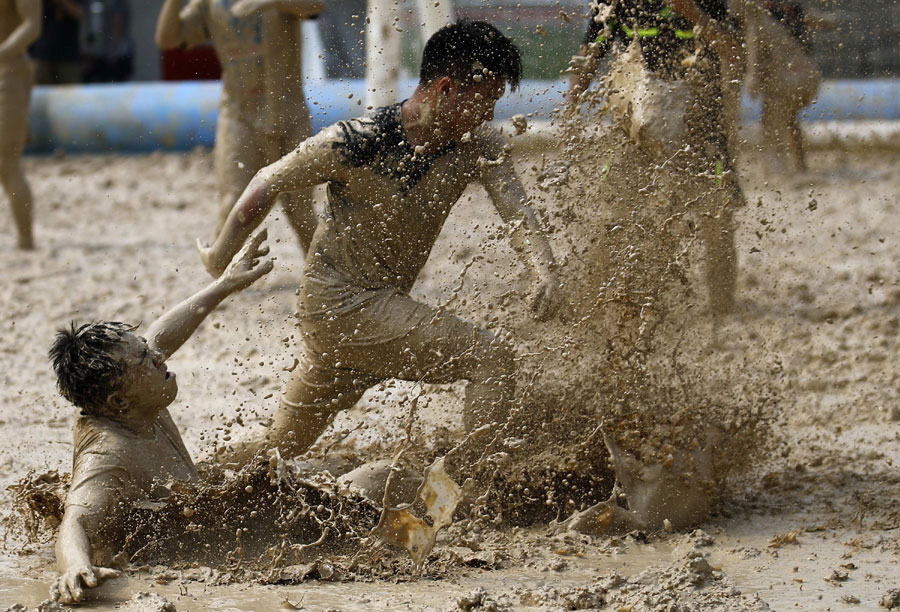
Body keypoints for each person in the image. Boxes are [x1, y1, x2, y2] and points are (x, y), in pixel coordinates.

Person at [198, 20, 560, 459]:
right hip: (341, 305)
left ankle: (194, 480)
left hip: (356, 314)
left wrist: (544, 270)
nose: (489, 116)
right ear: (445, 88)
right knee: (491, 359)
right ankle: (469, 485)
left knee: (279, 447)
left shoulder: (477, 142)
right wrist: (220, 257)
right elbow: (266, 180)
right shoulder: (358, 141)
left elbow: (517, 211)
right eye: (484, 101)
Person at [48, 232, 272, 604]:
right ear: (118, 400)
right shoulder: (109, 454)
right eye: (144, 359)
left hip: (204, 526)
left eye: (149, 350)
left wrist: (225, 283)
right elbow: (75, 521)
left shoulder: (136, 398)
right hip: (185, 557)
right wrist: (75, 567)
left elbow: (162, 334)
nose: (159, 358)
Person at [568, 0, 746, 317]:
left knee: (716, 217)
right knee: (618, 213)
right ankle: (607, 301)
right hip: (636, 131)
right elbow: (589, 53)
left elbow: (734, 53)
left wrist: (692, 13)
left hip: (700, 127)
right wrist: (571, 108)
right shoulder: (614, 2)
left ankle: (724, 306)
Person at [155, 0, 321, 249]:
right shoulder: (208, 4)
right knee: (233, 204)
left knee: (301, 211)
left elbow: (314, 6)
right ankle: (223, 277)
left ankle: (325, 276)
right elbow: (167, 40)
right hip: (239, 114)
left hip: (289, 114)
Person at [743, 0, 820, 171]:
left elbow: (754, 53)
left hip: (784, 80)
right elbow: (823, 21)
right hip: (809, 78)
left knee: (770, 126)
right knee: (791, 119)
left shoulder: (760, 19)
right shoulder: (796, 12)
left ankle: (776, 169)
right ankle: (800, 165)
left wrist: (752, 82)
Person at [0, 0, 40, 250]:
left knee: (8, 162)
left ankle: (25, 240)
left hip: (7, 72)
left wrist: (2, 52)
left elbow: (32, 26)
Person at [29, 0, 84, 84]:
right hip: (39, 52)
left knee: (71, 92)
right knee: (37, 93)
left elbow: (80, 13)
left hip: (68, 54)